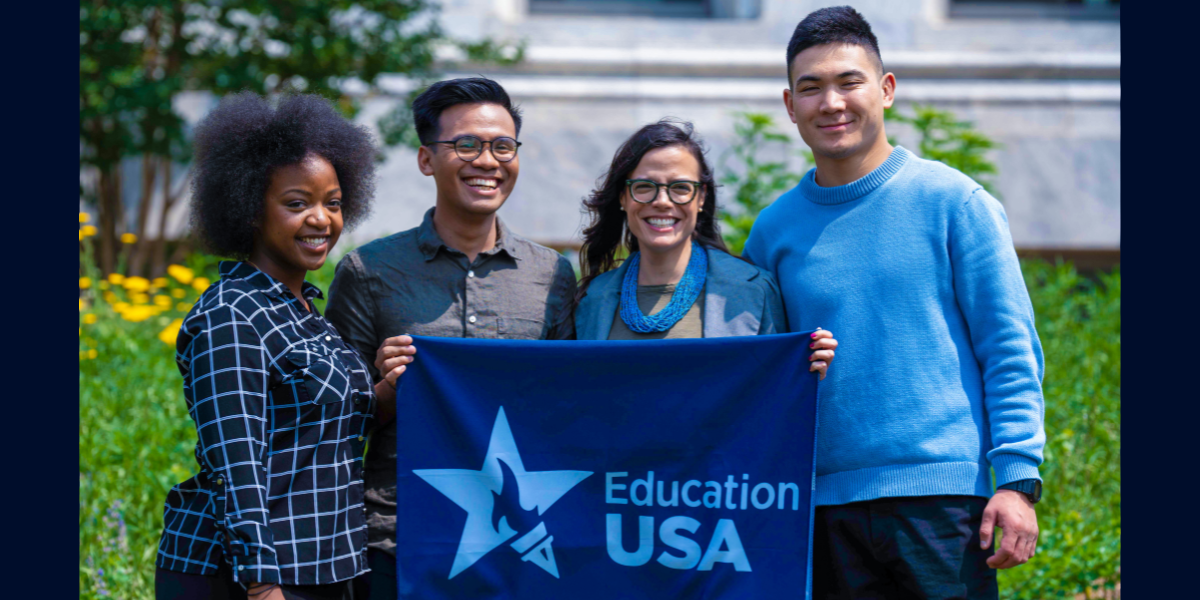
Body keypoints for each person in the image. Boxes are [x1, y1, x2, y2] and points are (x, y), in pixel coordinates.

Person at [742, 7, 1046, 599]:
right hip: (821, 508)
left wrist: (1016, 480)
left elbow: (1008, 348)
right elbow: (760, 375)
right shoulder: (772, 232)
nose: (831, 102)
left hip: (944, 506)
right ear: (789, 104)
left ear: (885, 90)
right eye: (811, 88)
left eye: (848, 82)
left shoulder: (956, 202)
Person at [323, 77, 578, 600]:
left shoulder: (551, 275)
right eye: (466, 144)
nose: (487, 160)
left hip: (522, 540)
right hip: (396, 538)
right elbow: (333, 424)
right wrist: (388, 390)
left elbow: (568, 410)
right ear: (425, 159)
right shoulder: (369, 271)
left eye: (502, 146)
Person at [155, 92, 384, 600]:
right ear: (249, 209)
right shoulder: (232, 314)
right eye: (297, 203)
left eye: (334, 203)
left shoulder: (305, 313)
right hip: (247, 577)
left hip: (322, 568)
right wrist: (262, 588)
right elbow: (236, 467)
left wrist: (387, 388)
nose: (322, 219)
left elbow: (324, 433)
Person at [569, 119, 837, 377]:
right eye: (644, 187)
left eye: (680, 188)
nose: (662, 201)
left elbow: (772, 399)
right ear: (623, 198)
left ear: (701, 197)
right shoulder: (593, 300)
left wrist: (803, 369)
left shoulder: (754, 291)